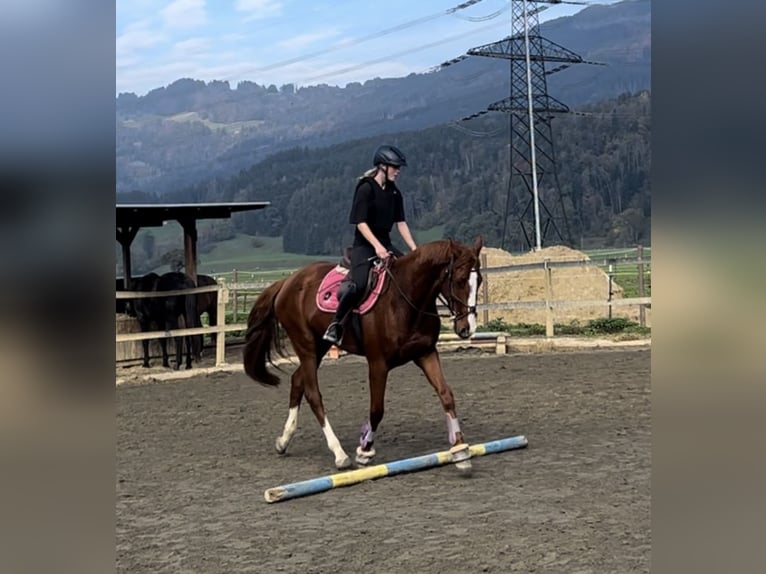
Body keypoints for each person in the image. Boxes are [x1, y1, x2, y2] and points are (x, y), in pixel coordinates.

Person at [322, 144, 418, 345]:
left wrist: (415, 250)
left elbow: (401, 223)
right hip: (364, 246)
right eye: (395, 167)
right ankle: (336, 325)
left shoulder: (394, 193)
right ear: (382, 166)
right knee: (357, 285)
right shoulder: (365, 188)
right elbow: (360, 222)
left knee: (410, 276)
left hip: (386, 244)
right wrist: (377, 247)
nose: (398, 171)